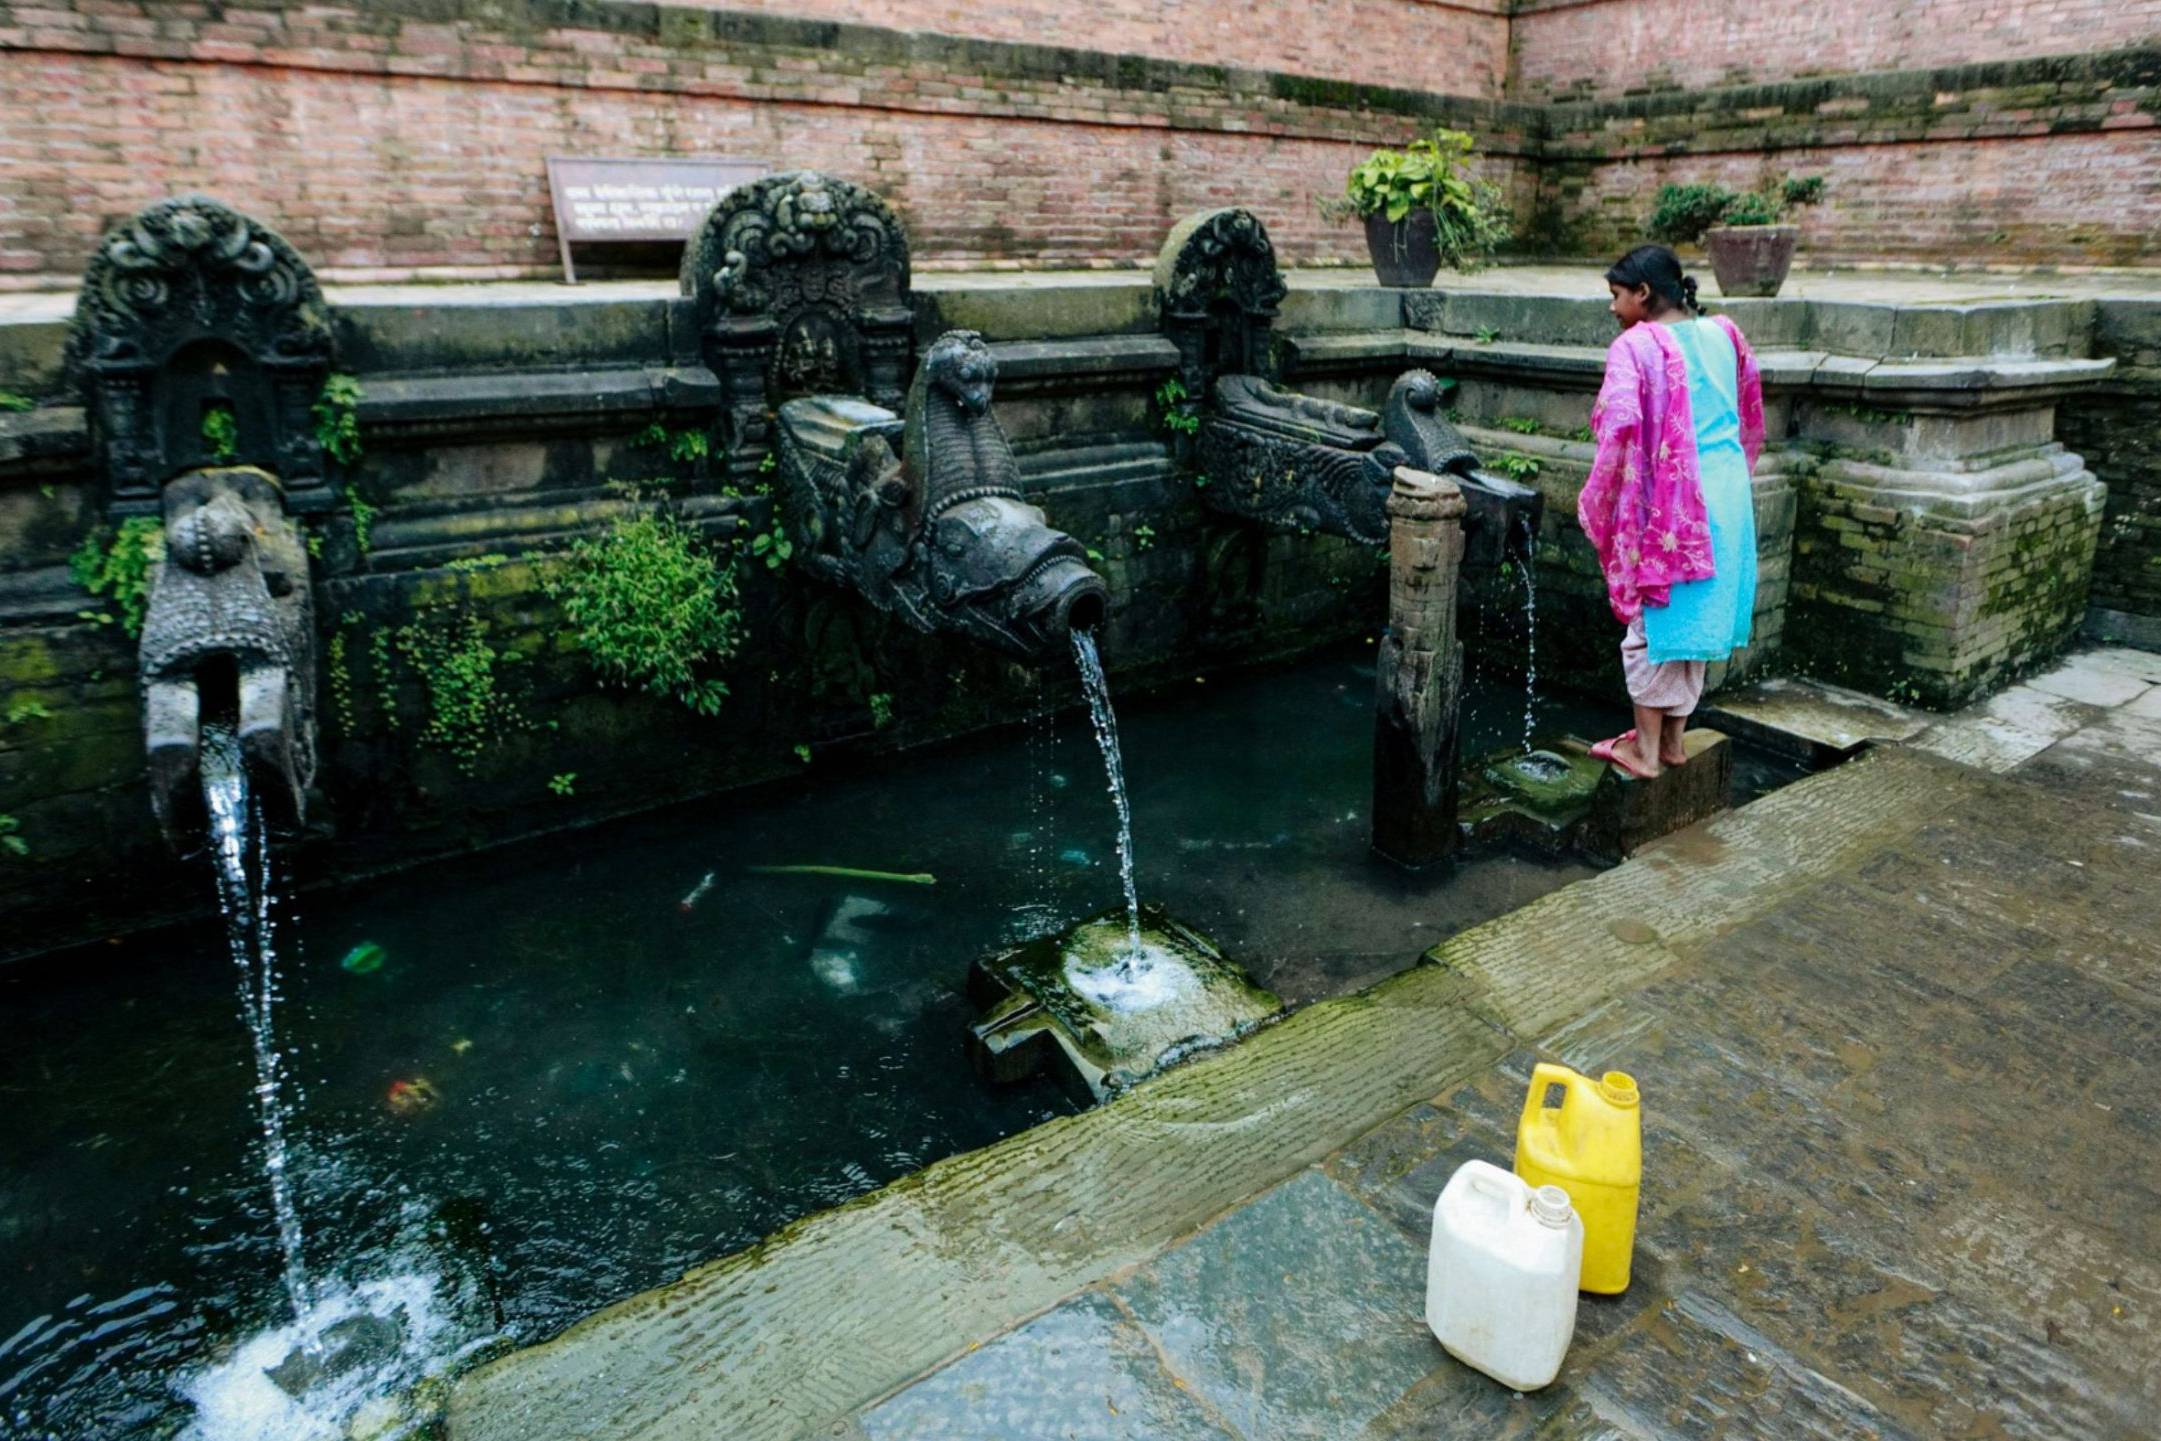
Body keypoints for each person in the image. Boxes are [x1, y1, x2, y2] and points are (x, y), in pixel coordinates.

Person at [1577, 244, 1764, 779]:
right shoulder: (1727, 333)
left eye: (1616, 295)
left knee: (1649, 625)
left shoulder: (1636, 345)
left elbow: (1617, 428)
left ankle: (1644, 753)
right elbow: (1749, 413)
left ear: (1642, 293)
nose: (1613, 308)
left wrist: (1599, 498)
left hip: (1673, 504)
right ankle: (1675, 744)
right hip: (1728, 496)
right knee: (1694, 624)